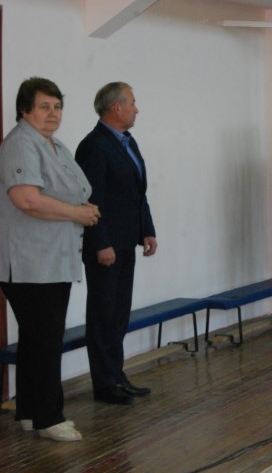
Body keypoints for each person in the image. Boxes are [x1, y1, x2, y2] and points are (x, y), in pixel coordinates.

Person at [0, 77, 100, 441]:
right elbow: (26, 199)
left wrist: (82, 207)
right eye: (44, 107)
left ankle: (30, 411)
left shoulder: (53, 145)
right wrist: (76, 213)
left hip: (52, 260)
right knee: (45, 340)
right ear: (24, 110)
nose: (53, 113)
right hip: (30, 262)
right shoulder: (21, 143)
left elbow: (71, 190)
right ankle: (48, 418)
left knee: (36, 338)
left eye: (57, 107)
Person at [76, 82, 157, 405]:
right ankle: (104, 383)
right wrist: (101, 243)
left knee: (119, 313)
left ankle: (116, 375)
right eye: (133, 103)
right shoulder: (94, 146)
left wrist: (147, 230)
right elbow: (90, 200)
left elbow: (138, 193)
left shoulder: (127, 141)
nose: (137, 109)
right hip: (106, 246)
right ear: (116, 107)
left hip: (126, 241)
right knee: (103, 314)